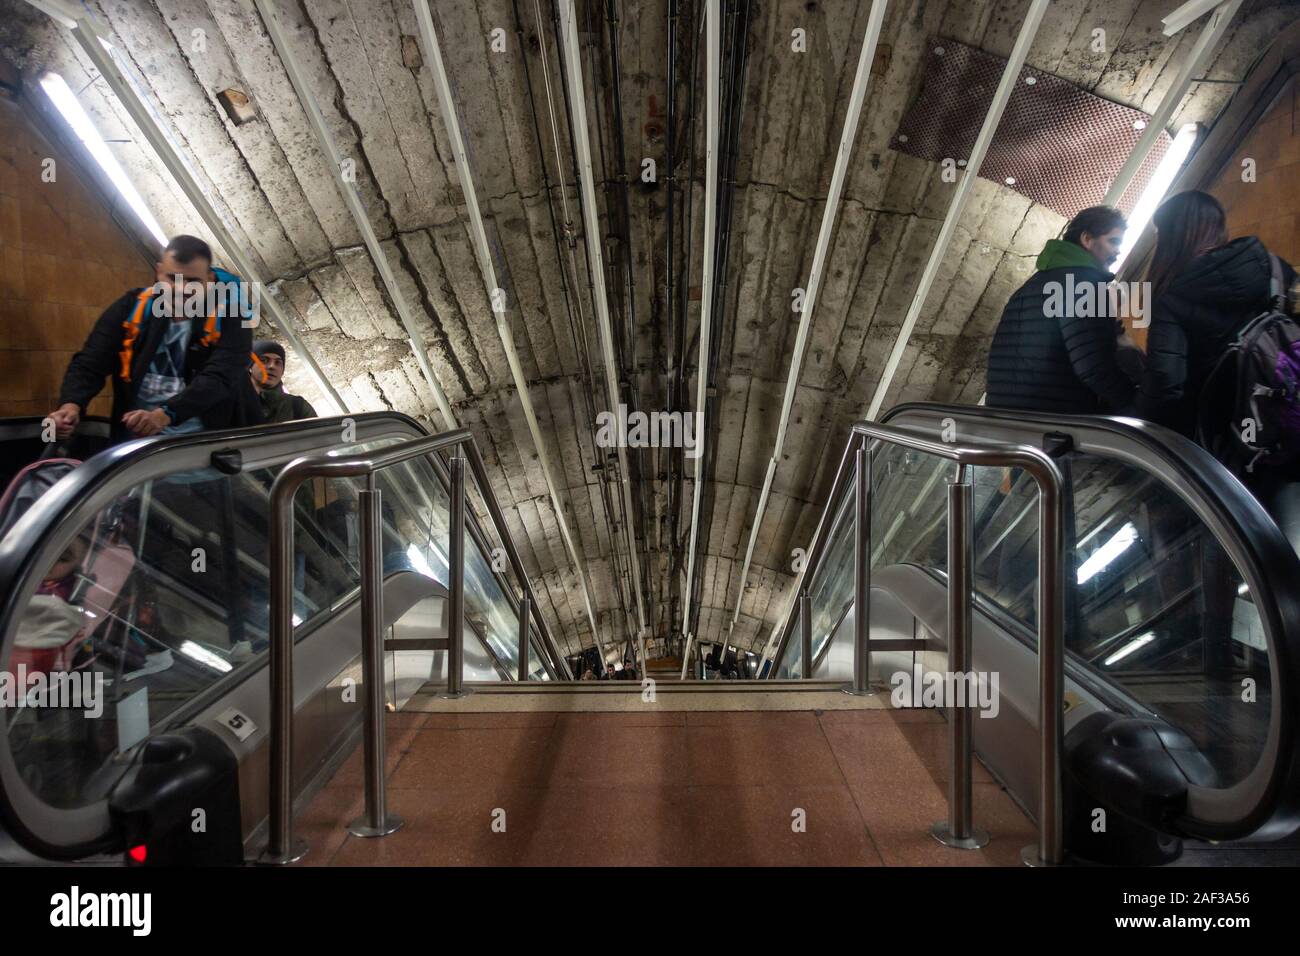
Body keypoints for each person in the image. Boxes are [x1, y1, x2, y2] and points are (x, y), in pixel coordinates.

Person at [48, 235, 260, 442]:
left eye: (193, 281)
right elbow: (92, 361)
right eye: (172, 278)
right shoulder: (132, 308)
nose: (182, 289)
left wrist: (166, 414)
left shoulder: (231, 318)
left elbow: (220, 376)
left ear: (210, 280)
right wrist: (71, 404)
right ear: (159, 272)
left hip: (203, 446)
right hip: (137, 444)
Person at [1137, 190, 1297, 437]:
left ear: (1172, 237)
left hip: (1229, 428)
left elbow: (1165, 383)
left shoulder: (1169, 297)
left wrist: (1138, 421)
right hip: (1289, 398)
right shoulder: (1270, 265)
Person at [986, 205, 1136, 414]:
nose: (1117, 251)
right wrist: (1139, 406)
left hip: (1004, 413)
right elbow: (1094, 366)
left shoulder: (1034, 284)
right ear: (1087, 239)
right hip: (1053, 418)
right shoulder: (1084, 285)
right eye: (1113, 241)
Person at [250, 339, 318, 423]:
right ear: (250, 366)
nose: (272, 366)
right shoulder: (236, 404)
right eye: (264, 360)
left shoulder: (298, 406)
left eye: (278, 362)